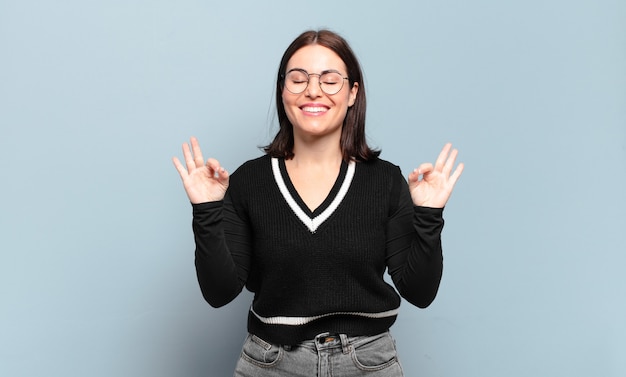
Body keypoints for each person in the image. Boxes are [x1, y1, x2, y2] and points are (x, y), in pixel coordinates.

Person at [173, 29, 464, 377]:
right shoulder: (249, 182)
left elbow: (420, 292)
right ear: (283, 90)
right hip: (271, 364)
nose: (313, 90)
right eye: (298, 79)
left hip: (368, 364)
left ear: (353, 92)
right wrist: (207, 210)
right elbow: (219, 293)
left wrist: (428, 216)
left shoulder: (385, 181)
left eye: (330, 80)